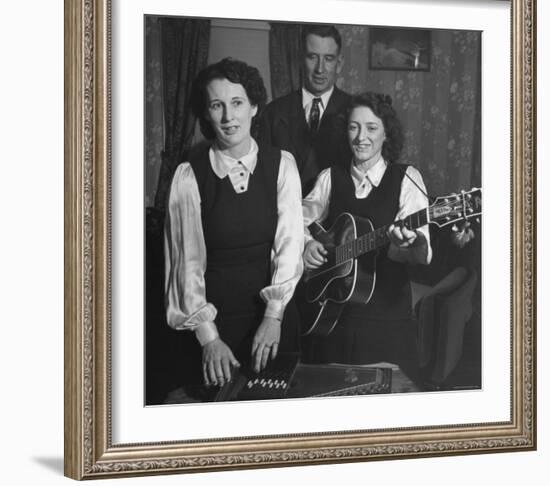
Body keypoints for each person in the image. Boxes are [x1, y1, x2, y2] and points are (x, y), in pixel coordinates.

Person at [164, 57, 304, 392]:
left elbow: (289, 246)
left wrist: (273, 316)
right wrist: (209, 338)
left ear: (254, 107)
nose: (228, 117)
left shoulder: (283, 165)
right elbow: (187, 267)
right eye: (217, 105)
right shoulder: (187, 177)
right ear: (206, 114)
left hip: (276, 322)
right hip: (214, 332)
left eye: (237, 103)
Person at [301, 92, 432, 376]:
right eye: (353, 127)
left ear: (387, 134)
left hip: (387, 320)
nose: (361, 137)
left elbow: (422, 254)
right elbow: (295, 219)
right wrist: (307, 242)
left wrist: (407, 243)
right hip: (333, 318)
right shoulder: (329, 178)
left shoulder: (407, 178)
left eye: (371, 128)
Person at [259, 24, 352, 195]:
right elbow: (262, 177)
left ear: (339, 64)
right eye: (312, 57)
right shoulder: (273, 113)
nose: (320, 69)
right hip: (284, 214)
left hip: (339, 218)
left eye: (329, 59)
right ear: (301, 59)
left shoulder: (354, 111)